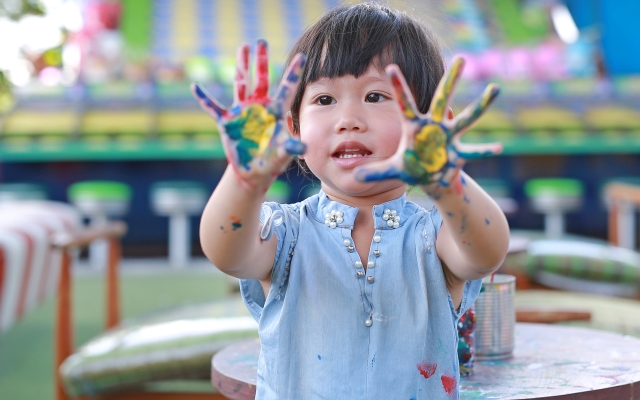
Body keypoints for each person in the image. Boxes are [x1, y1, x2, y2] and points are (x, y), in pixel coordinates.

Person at [192, 3, 509, 399]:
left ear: (431, 124)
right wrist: (244, 181)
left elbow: (486, 252)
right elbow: (226, 251)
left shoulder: (434, 236)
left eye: (376, 96)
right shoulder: (286, 235)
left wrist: (447, 181)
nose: (349, 118)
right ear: (293, 127)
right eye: (324, 101)